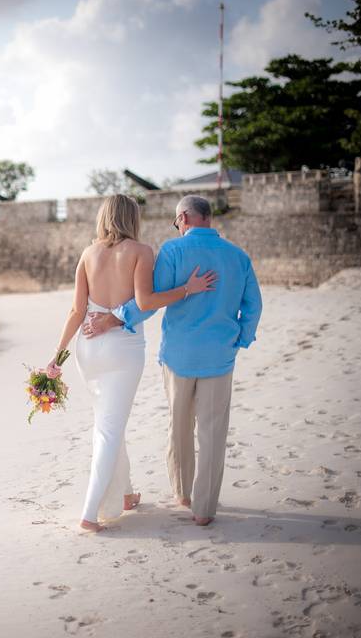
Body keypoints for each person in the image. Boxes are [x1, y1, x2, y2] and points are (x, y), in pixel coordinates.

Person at [83, 194, 263, 526]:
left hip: (178, 355)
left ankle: (182, 493)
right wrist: (240, 339)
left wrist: (116, 318)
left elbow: (148, 300)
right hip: (220, 357)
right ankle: (204, 510)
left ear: (183, 218)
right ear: (208, 218)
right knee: (212, 432)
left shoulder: (174, 251)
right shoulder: (238, 257)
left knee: (179, 426)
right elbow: (253, 306)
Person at [48, 194, 217, 532]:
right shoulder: (141, 252)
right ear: (132, 218)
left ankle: (124, 496)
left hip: (87, 349)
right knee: (109, 429)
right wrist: (188, 288)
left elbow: (76, 312)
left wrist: (57, 357)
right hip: (123, 349)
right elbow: (146, 301)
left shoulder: (88, 254)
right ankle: (89, 512)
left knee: (110, 422)